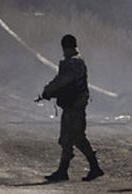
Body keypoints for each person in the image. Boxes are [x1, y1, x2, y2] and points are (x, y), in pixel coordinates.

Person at [40, 34, 104, 182]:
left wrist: (49, 90)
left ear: (66, 47)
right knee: (66, 139)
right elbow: (62, 82)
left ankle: (94, 167)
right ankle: (63, 171)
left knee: (77, 137)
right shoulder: (72, 61)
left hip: (76, 105)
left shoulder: (75, 63)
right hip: (71, 105)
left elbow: (64, 80)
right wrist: (50, 91)